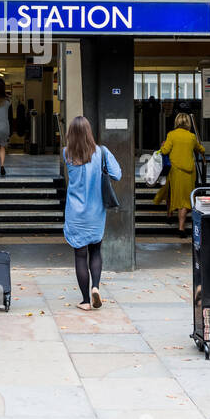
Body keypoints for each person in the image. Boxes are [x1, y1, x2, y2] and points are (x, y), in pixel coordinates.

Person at [62, 115, 122, 310]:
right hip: (96, 212)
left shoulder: (67, 154)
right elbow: (117, 174)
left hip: (75, 213)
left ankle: (86, 301)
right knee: (95, 250)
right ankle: (96, 287)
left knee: (80, 256)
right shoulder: (102, 152)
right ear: (89, 132)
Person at [155, 110, 205, 236]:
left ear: (176, 122)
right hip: (189, 172)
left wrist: (163, 145)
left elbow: (165, 151)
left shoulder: (171, 135)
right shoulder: (192, 137)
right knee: (185, 199)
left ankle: (173, 219)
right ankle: (180, 227)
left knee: (172, 192)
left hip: (175, 171)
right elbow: (201, 149)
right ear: (188, 123)